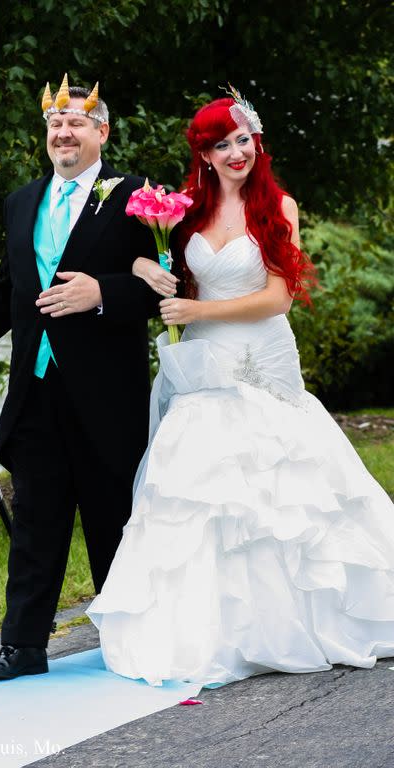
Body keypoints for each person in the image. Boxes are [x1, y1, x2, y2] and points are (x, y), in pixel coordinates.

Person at [87, 90, 394, 689]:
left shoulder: (279, 205)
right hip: (203, 365)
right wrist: (145, 270)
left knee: (282, 480)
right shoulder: (185, 215)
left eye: (242, 140)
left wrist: (200, 313)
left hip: (261, 355)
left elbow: (279, 296)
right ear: (202, 155)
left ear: (257, 143)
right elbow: (163, 274)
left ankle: (305, 616)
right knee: (202, 489)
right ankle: (216, 628)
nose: (235, 153)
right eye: (220, 144)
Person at [0, 75, 158, 679]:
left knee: (113, 519)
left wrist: (101, 292)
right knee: (36, 521)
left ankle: (126, 640)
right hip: (36, 387)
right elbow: (9, 292)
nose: (63, 132)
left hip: (108, 393)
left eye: (76, 122)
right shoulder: (22, 201)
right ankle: (23, 646)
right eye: (55, 124)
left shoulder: (136, 198)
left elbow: (164, 287)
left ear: (101, 131)